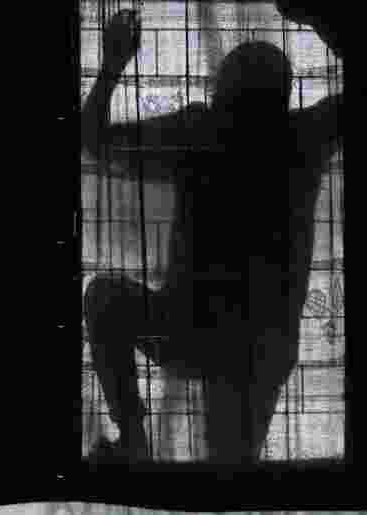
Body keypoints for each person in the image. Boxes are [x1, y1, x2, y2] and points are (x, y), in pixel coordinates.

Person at [82, 6, 344, 463]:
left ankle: (134, 440)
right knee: (231, 465)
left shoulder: (198, 134)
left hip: (189, 330)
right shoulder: (305, 137)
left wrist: (111, 65)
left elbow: (95, 141)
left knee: (104, 300)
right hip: (261, 348)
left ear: (223, 90)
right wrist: (319, 19)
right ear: (283, 94)